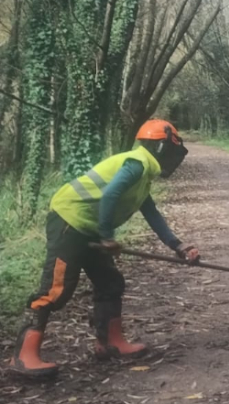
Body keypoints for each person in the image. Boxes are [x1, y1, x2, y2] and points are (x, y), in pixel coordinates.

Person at [9, 119, 200, 378]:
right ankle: (22, 356)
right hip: (69, 220)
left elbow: (152, 215)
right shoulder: (137, 163)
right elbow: (110, 195)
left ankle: (110, 344)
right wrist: (108, 236)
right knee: (56, 289)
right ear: (160, 147)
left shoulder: (142, 175)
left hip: (90, 227)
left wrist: (178, 246)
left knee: (110, 283)